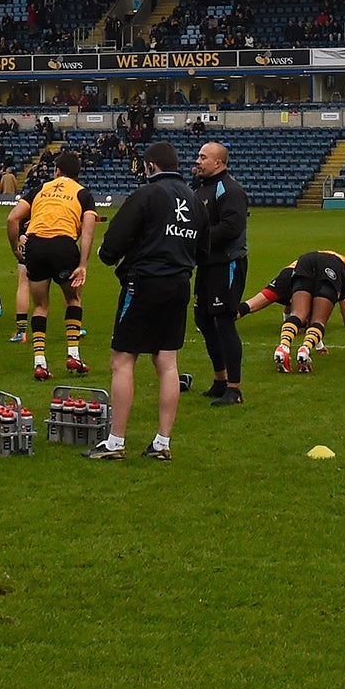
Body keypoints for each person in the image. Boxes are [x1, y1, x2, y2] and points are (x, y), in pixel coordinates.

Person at [87, 140, 200, 462]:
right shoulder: (194, 199)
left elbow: (115, 241)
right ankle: (162, 442)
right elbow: (202, 247)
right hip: (180, 283)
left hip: (144, 282)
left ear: (150, 166)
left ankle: (115, 442)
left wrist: (107, 255)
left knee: (122, 360)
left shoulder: (146, 194)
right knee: (167, 363)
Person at [4, 149, 99, 382]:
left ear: (57, 171)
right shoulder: (83, 193)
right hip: (64, 246)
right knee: (73, 299)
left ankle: (39, 363)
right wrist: (83, 264)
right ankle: (74, 355)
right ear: (78, 174)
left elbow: (12, 218)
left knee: (40, 306)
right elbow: (87, 231)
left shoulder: (40, 189)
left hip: (35, 247)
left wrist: (16, 247)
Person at [190, 140, 249, 406]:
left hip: (227, 264)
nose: (198, 161)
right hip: (206, 265)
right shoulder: (201, 188)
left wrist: (198, 239)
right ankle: (220, 380)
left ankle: (234, 389)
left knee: (224, 322)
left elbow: (231, 228)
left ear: (218, 162)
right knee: (203, 319)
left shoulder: (230, 189)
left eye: (203, 157)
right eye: (198, 156)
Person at [268, 251, 345, 374]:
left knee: (298, 314)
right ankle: (305, 349)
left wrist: (320, 347)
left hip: (306, 260)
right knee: (319, 320)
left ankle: (283, 346)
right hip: (332, 266)